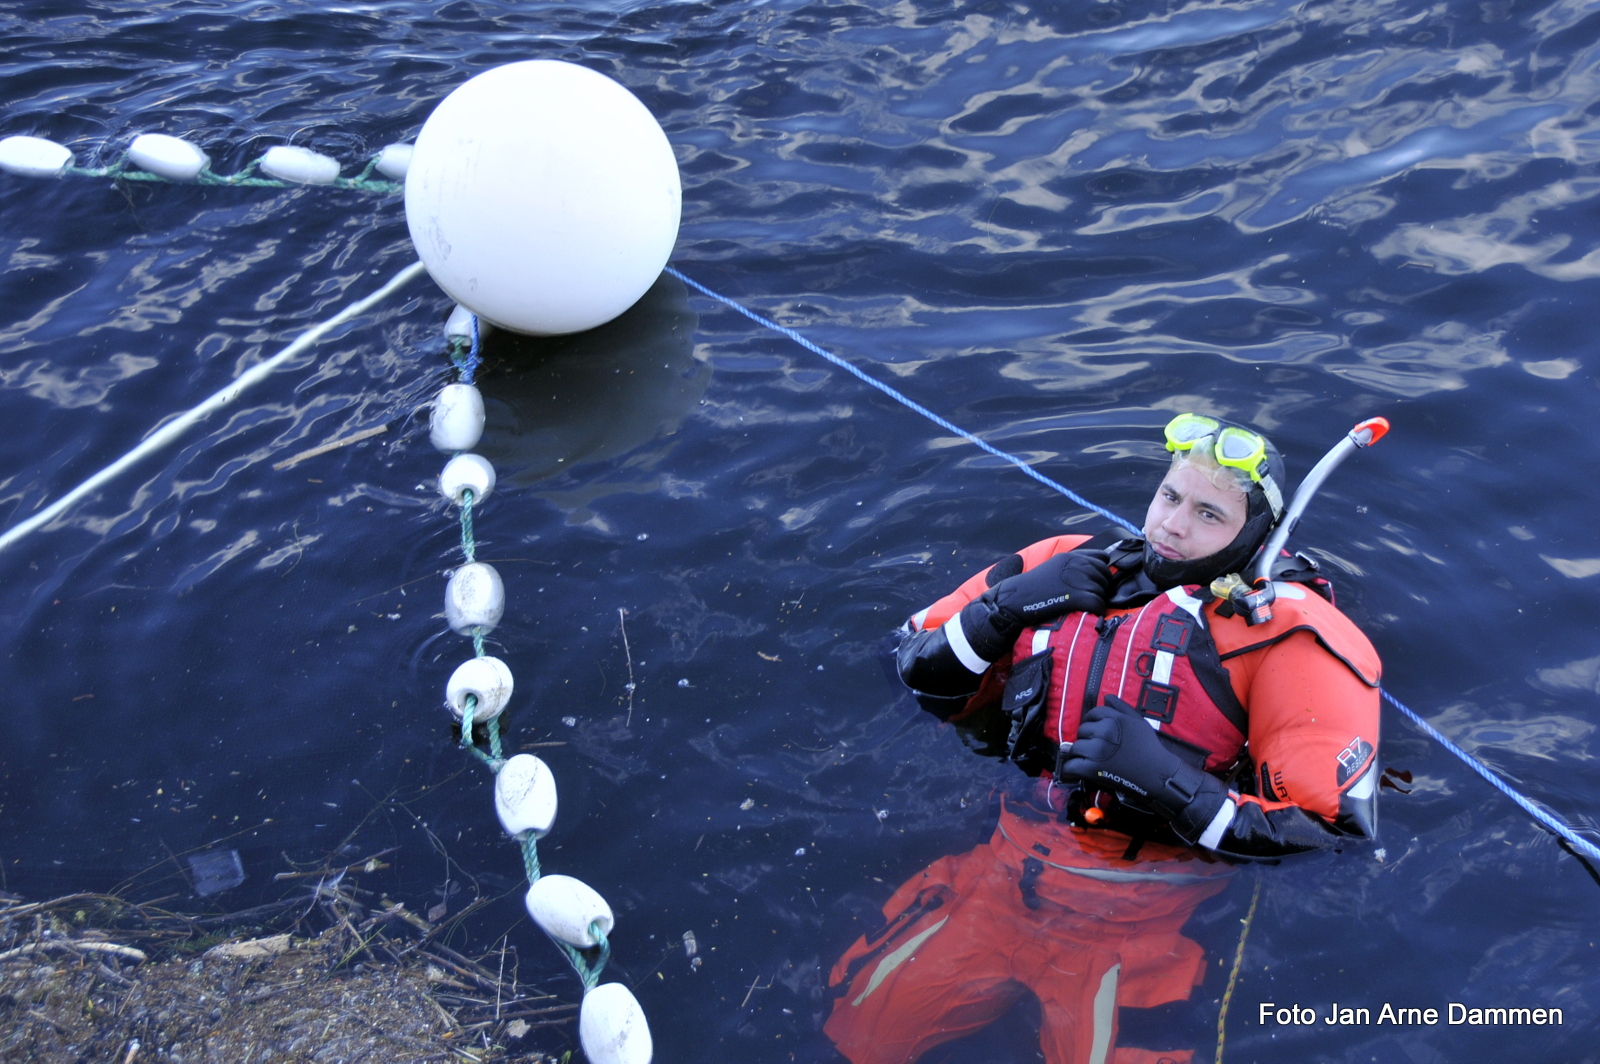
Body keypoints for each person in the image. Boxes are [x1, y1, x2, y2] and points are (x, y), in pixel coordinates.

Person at [824, 414, 1381, 1064]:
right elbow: (910, 662)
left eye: (1209, 514)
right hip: (1002, 875)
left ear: (1254, 533)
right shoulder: (1063, 564)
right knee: (854, 1034)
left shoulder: (1289, 635)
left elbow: (1331, 838)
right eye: (1170, 496)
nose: (1172, 525)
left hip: (1145, 920)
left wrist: (1171, 786)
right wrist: (1001, 613)